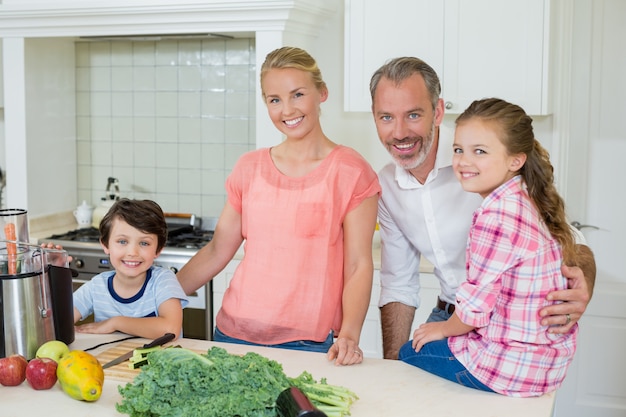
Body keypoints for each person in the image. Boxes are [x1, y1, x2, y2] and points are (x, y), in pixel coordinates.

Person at [369, 57, 596, 360]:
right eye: (386, 117)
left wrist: (584, 285)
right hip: (451, 316)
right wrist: (392, 365)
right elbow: (398, 284)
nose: (399, 132)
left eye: (413, 114)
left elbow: (568, 239)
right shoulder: (388, 184)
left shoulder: (487, 161)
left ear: (437, 111)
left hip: (510, 327)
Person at [177, 46, 381, 365]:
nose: (287, 110)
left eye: (297, 94)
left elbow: (358, 264)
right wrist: (162, 296)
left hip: (310, 342)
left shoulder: (351, 172)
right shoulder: (249, 167)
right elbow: (218, 250)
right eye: (275, 100)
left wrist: (350, 335)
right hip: (233, 335)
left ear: (321, 93)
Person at [398, 97, 578, 396]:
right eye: (458, 150)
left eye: (479, 151)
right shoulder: (527, 198)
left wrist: (441, 329)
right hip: (547, 365)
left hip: (510, 367)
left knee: (408, 354)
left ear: (515, 160)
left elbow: (473, 310)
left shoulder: (495, 216)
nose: (463, 162)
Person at [73, 198, 188, 339]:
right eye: (122, 241)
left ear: (158, 250)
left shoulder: (163, 281)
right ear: (105, 244)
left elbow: (170, 329)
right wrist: (49, 271)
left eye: (144, 243)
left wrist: (116, 323)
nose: (132, 252)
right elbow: (58, 321)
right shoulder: (96, 287)